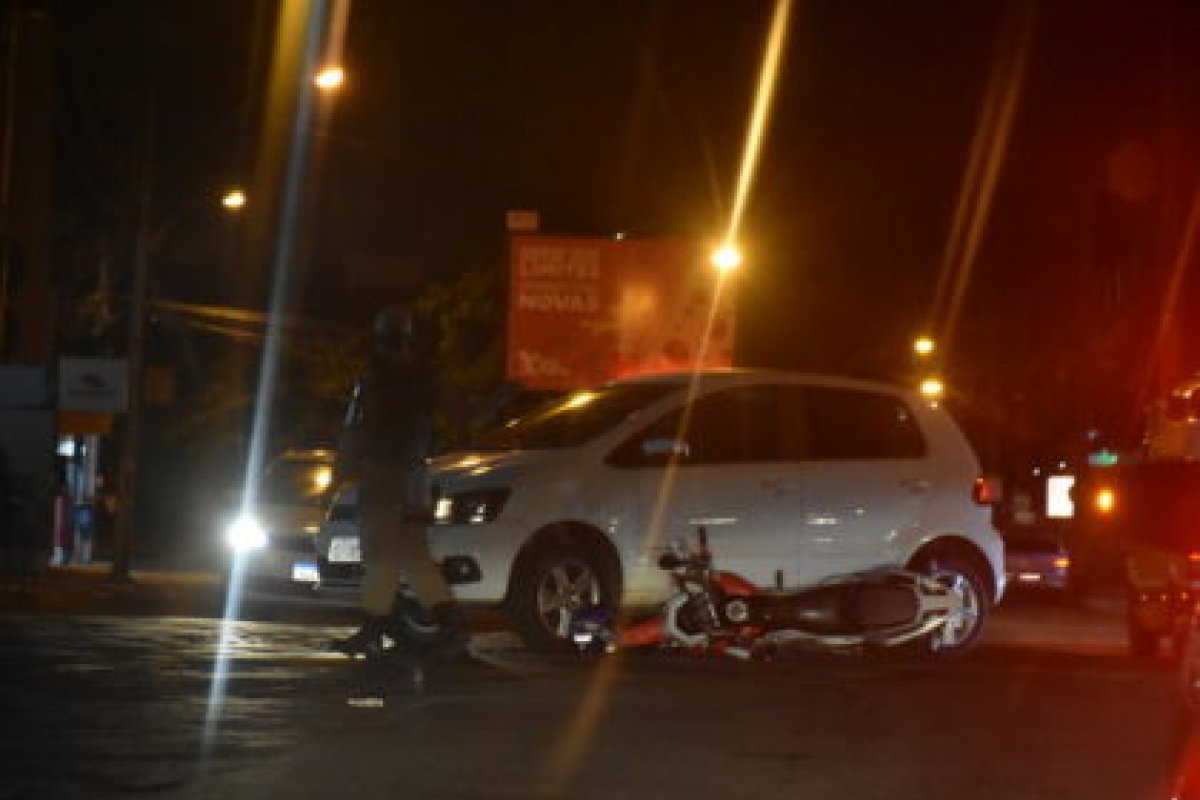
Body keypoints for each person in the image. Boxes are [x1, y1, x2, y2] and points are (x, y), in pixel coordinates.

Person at [329, 305, 471, 661]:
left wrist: (340, 470)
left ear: (379, 341)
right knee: (413, 555)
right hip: (415, 475)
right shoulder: (427, 378)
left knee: (379, 554)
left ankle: (374, 628)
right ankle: (450, 625)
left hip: (384, 473)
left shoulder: (374, 380)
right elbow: (459, 415)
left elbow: (356, 428)